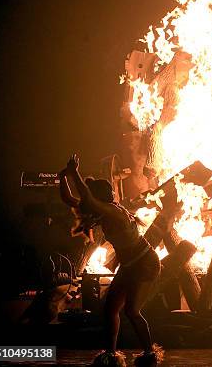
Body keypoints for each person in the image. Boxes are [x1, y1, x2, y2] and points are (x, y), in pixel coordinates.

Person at [61, 154, 162, 366]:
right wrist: (63, 178)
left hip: (145, 262)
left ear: (101, 198)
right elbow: (71, 200)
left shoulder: (114, 211)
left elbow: (87, 199)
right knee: (110, 309)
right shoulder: (103, 211)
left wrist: (74, 173)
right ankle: (111, 354)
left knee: (132, 310)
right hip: (128, 266)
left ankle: (149, 354)